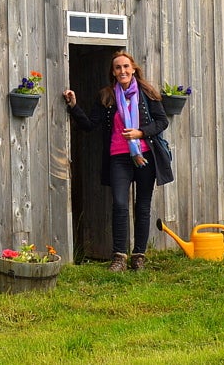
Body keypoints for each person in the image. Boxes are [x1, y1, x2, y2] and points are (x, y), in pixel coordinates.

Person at [63, 51, 174, 271]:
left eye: (125, 67)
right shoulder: (107, 96)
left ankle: (139, 256)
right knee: (120, 204)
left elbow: (162, 122)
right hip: (118, 158)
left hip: (145, 157)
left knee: (142, 206)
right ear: (113, 72)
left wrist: (140, 133)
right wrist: (74, 106)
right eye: (117, 68)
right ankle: (119, 257)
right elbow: (89, 125)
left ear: (133, 69)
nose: (122, 71)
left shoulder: (147, 93)